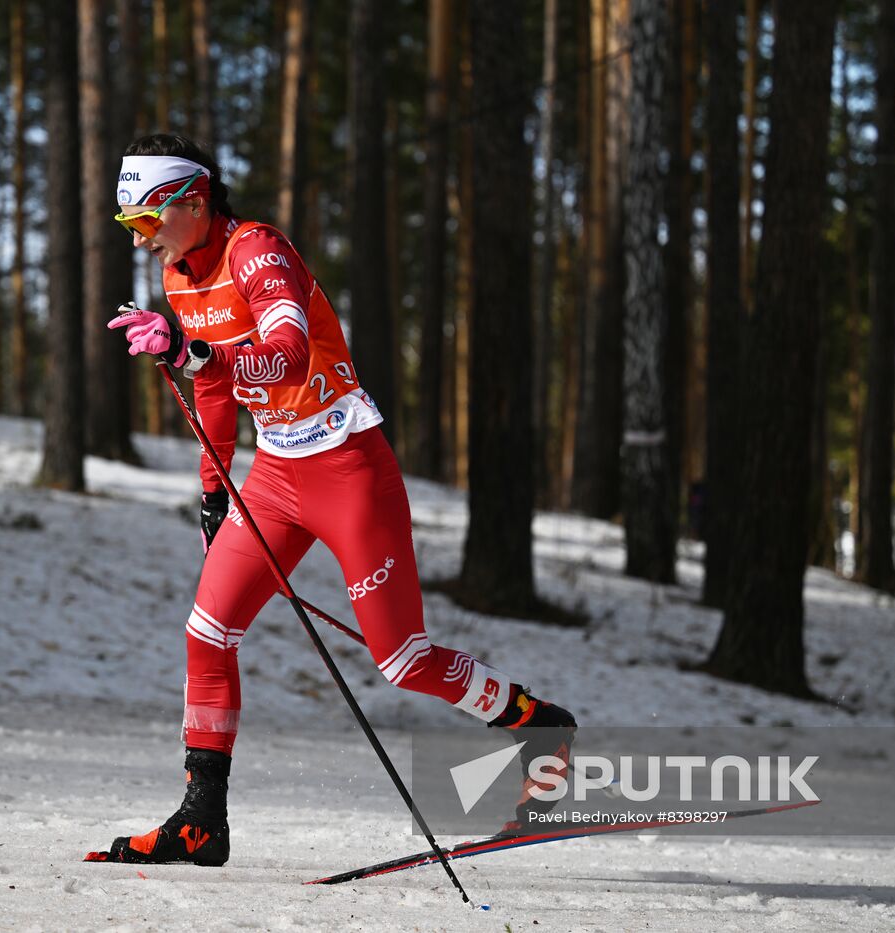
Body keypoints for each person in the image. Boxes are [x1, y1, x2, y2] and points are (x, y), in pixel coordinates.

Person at [87, 134, 577, 867]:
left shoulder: (257, 252)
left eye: (147, 220)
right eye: (131, 226)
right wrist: (214, 491)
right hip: (278, 476)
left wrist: (189, 352)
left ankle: (539, 724)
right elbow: (216, 391)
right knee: (207, 632)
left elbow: (286, 358)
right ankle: (202, 817)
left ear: (193, 199)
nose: (142, 238)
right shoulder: (181, 277)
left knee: (402, 658)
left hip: (348, 466)